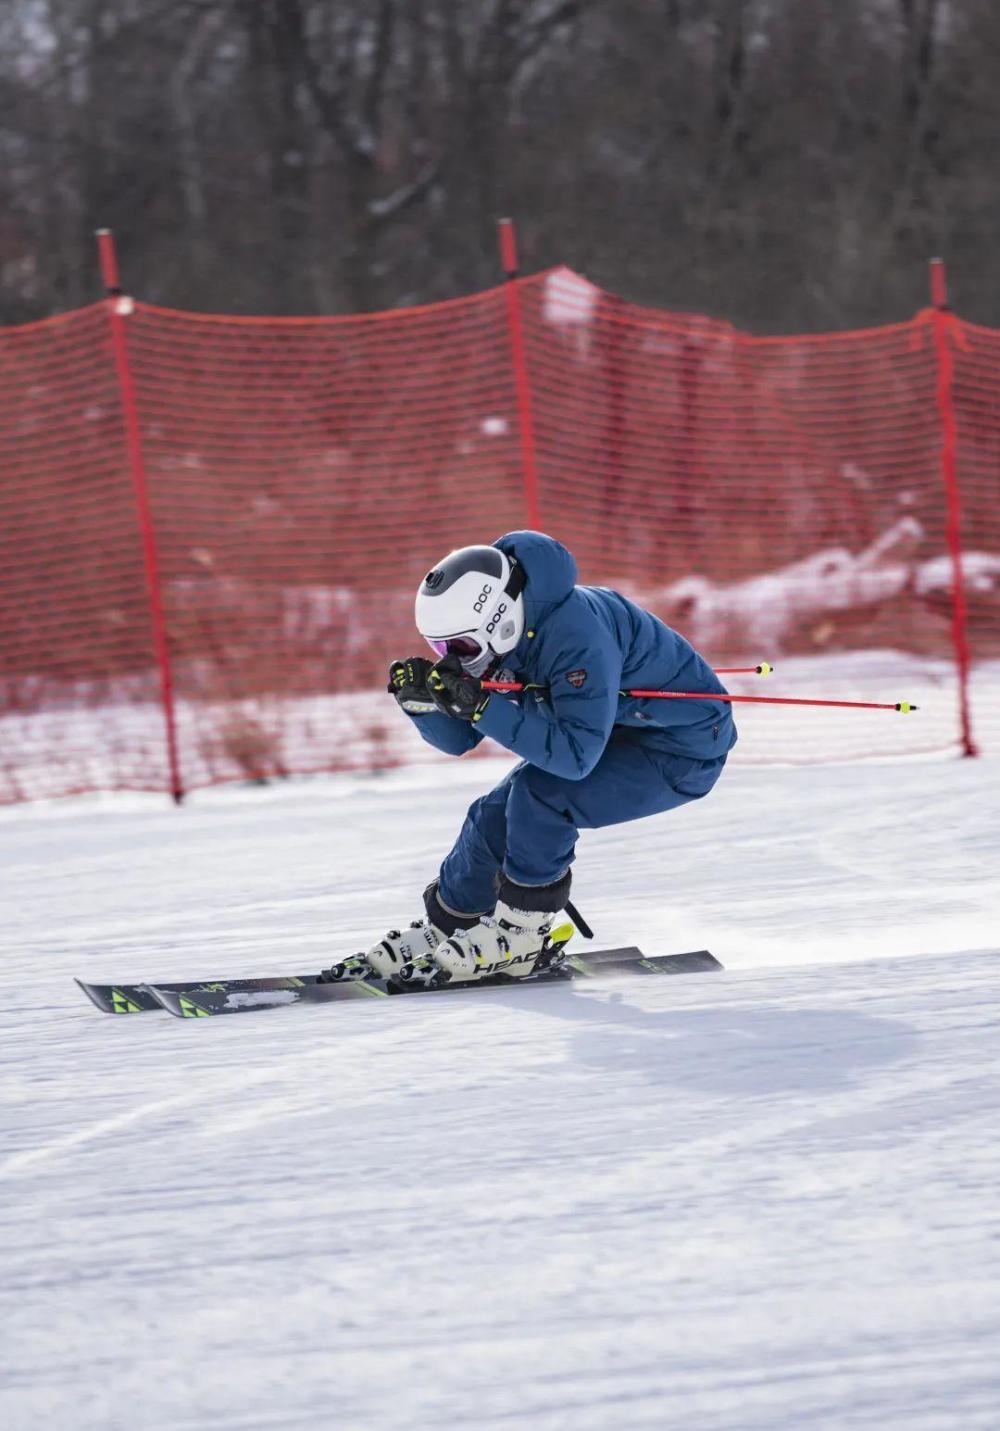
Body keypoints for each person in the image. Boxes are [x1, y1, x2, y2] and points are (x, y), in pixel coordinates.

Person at [321, 530, 736, 986]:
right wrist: (426, 703)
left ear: (499, 621)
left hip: (678, 747)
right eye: (440, 648)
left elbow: (575, 758)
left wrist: (481, 706)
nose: (453, 660)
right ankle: (450, 926)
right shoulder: (510, 629)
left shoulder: (577, 637)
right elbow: (461, 741)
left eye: (459, 648)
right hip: (613, 730)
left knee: (541, 797)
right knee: (491, 813)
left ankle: (522, 934)